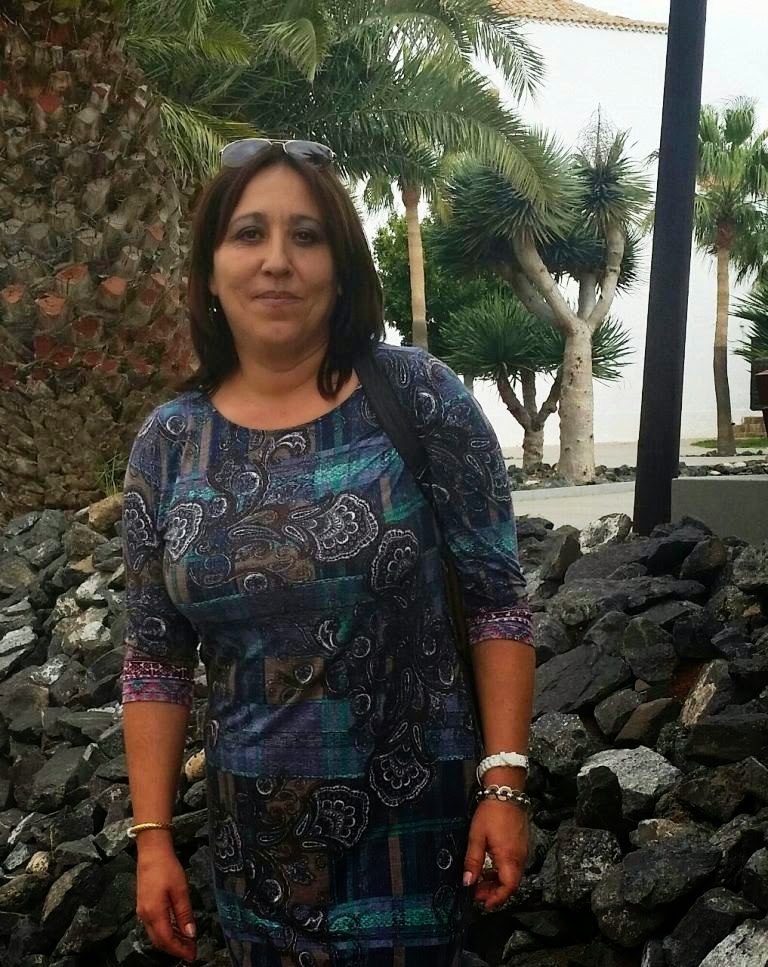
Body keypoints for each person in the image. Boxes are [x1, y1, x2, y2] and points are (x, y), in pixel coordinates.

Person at [121, 138, 536, 967]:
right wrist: (153, 837)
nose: (277, 260)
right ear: (209, 272)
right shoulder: (169, 444)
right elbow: (155, 658)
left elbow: (497, 601)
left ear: (342, 269)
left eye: (306, 236)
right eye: (249, 233)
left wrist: (504, 782)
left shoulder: (419, 396)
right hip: (252, 860)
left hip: (417, 846)